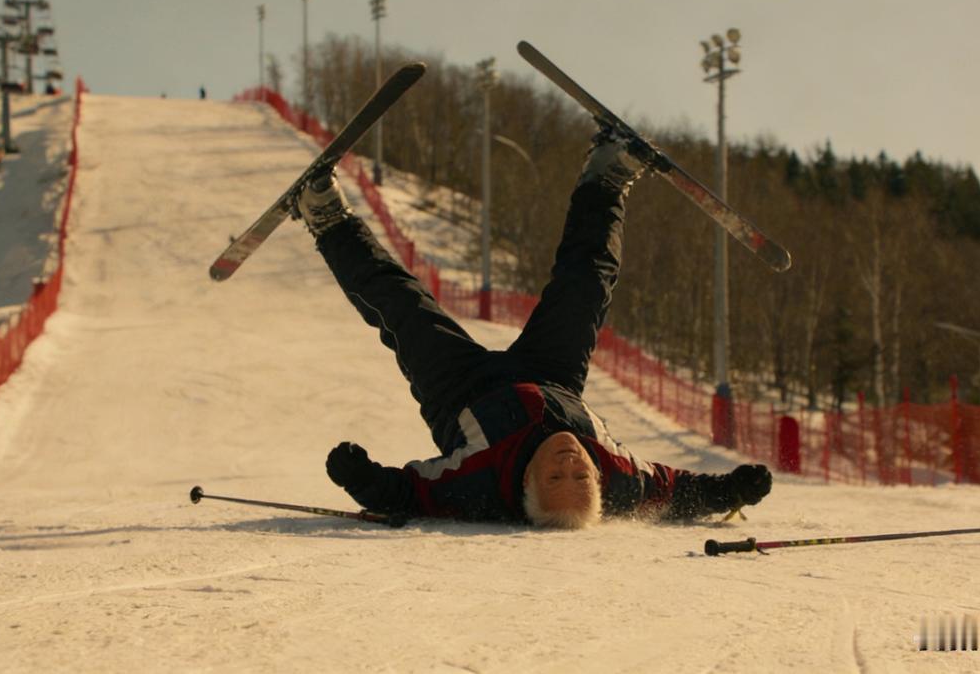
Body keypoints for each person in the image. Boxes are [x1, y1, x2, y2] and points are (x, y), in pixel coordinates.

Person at [290, 125, 772, 528]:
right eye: (580, 479)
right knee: (586, 284)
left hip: (460, 392)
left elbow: (409, 494)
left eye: (555, 480)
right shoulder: (621, 475)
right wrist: (733, 490)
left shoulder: (477, 484)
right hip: (553, 377)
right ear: (599, 481)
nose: (568, 465)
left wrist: (362, 478)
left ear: (526, 485)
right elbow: (680, 492)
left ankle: (327, 219)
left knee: (401, 304)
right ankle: (605, 178)